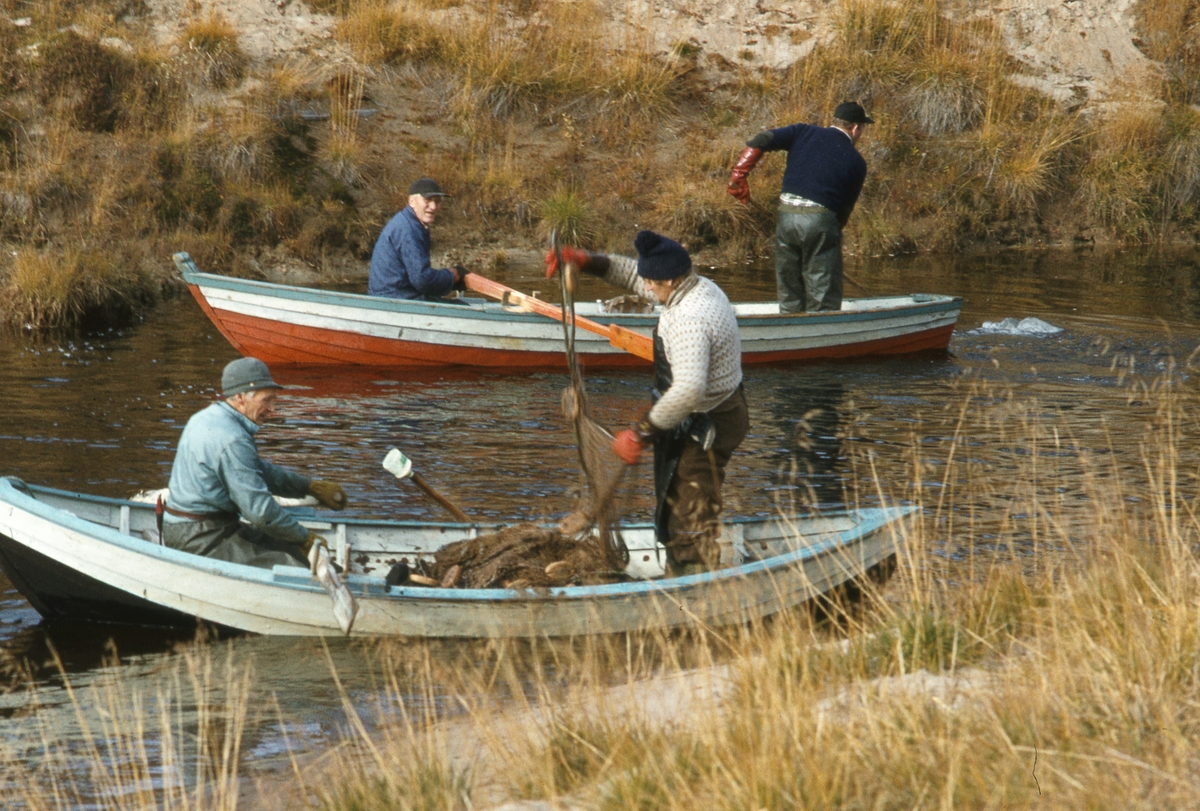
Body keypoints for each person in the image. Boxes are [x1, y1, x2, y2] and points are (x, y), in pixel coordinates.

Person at [546, 231, 748, 574]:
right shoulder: (688, 285)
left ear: (670, 279)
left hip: (708, 424)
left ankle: (692, 604)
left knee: (687, 522)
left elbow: (687, 391)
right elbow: (630, 275)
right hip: (690, 418)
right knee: (671, 509)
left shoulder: (690, 318)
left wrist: (640, 433)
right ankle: (680, 577)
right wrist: (585, 260)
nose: (647, 288)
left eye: (653, 282)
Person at [162, 357, 349, 568]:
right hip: (201, 538)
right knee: (294, 567)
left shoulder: (207, 417)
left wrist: (308, 487)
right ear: (241, 398)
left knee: (296, 552)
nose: (273, 409)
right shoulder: (233, 438)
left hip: (198, 527)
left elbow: (258, 471)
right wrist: (304, 538)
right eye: (266, 400)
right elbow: (259, 512)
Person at [726, 101, 874, 313]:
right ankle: (822, 336)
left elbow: (761, 140)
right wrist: (828, 240)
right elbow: (843, 212)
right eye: (862, 129)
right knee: (823, 293)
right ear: (855, 128)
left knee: (789, 288)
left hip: (786, 217)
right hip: (820, 220)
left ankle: (790, 329)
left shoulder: (802, 132)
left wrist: (739, 175)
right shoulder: (857, 162)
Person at [368, 177, 468, 301]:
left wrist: (449, 278)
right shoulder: (408, 229)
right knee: (460, 307)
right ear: (412, 201)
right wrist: (452, 276)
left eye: (437, 201)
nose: (433, 206)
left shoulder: (410, 223)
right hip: (394, 300)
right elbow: (422, 280)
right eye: (428, 200)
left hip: (391, 297)